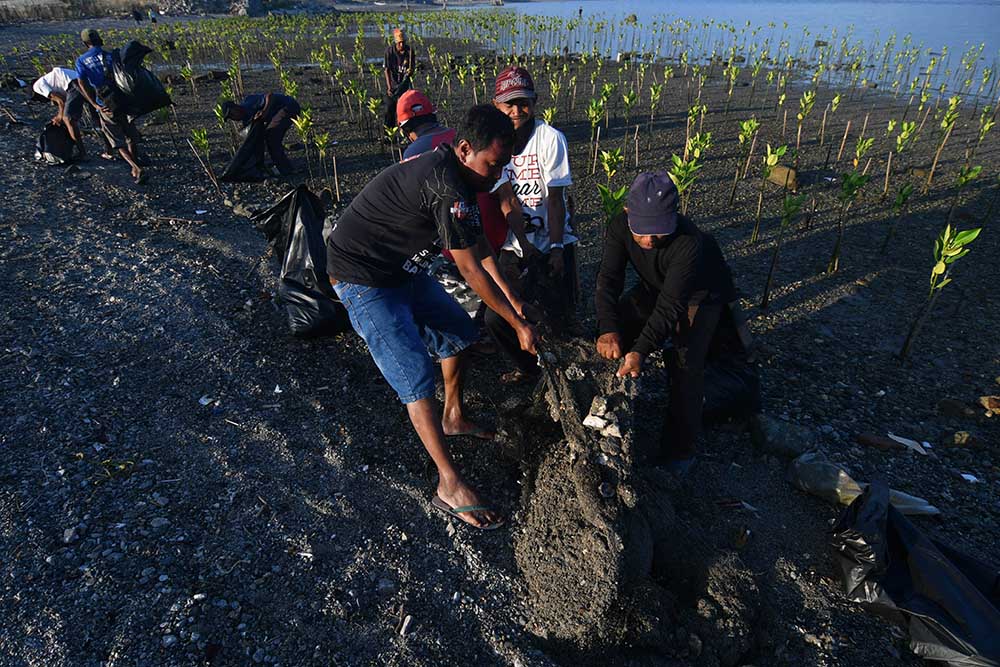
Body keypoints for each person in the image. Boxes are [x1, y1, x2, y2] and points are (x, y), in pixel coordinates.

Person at [326, 105, 538, 530]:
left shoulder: (465, 180)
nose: (497, 178)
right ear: (463, 149)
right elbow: (469, 271)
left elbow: (479, 249)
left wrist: (515, 303)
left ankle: (453, 416)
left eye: (502, 168)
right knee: (415, 375)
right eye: (492, 166)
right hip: (362, 276)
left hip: (402, 269)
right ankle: (449, 483)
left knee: (459, 334)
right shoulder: (445, 185)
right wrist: (517, 327)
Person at [595, 172, 737, 473]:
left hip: (702, 292)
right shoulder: (619, 227)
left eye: (659, 231)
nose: (649, 240)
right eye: (643, 231)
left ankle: (681, 450)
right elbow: (608, 279)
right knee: (619, 322)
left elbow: (672, 304)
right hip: (658, 284)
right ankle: (605, 408)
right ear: (627, 213)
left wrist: (641, 350)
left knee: (684, 364)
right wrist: (608, 328)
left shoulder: (690, 242)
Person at [485, 65, 576, 382]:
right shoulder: (495, 142)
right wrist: (524, 248)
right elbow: (507, 199)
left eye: (523, 102)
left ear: (535, 102)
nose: (516, 110)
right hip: (516, 242)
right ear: (496, 105)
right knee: (499, 316)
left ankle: (564, 372)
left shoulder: (550, 139)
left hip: (553, 237)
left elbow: (555, 199)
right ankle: (530, 371)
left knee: (560, 316)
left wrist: (555, 249)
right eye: (508, 103)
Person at [75, 28, 145, 183]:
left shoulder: (81, 61)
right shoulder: (111, 56)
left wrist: (94, 104)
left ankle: (135, 167)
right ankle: (137, 160)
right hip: (123, 100)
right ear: (100, 40)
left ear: (86, 43)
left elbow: (82, 83)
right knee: (130, 133)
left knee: (116, 139)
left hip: (105, 103)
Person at [222, 92, 301, 177]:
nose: (233, 118)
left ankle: (286, 170)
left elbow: (270, 96)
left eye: (232, 114)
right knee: (268, 137)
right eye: (230, 117)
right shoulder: (246, 120)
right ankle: (280, 166)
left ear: (236, 107)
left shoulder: (250, 102)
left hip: (288, 106)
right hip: (276, 114)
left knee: (272, 137)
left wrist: (264, 111)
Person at [33, 67, 87, 159]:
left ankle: (82, 153)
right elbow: (64, 100)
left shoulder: (37, 87)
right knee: (98, 114)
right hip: (81, 79)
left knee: (68, 119)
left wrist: (59, 116)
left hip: (72, 83)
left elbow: (61, 100)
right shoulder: (50, 81)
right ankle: (109, 151)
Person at [383, 28, 415, 130]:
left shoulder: (409, 51)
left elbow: (412, 68)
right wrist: (389, 87)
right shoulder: (389, 52)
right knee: (390, 108)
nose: (402, 45)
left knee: (405, 109)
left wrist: (411, 71)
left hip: (404, 84)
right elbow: (387, 70)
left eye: (403, 43)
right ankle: (388, 133)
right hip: (393, 83)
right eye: (399, 43)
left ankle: (406, 132)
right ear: (396, 43)